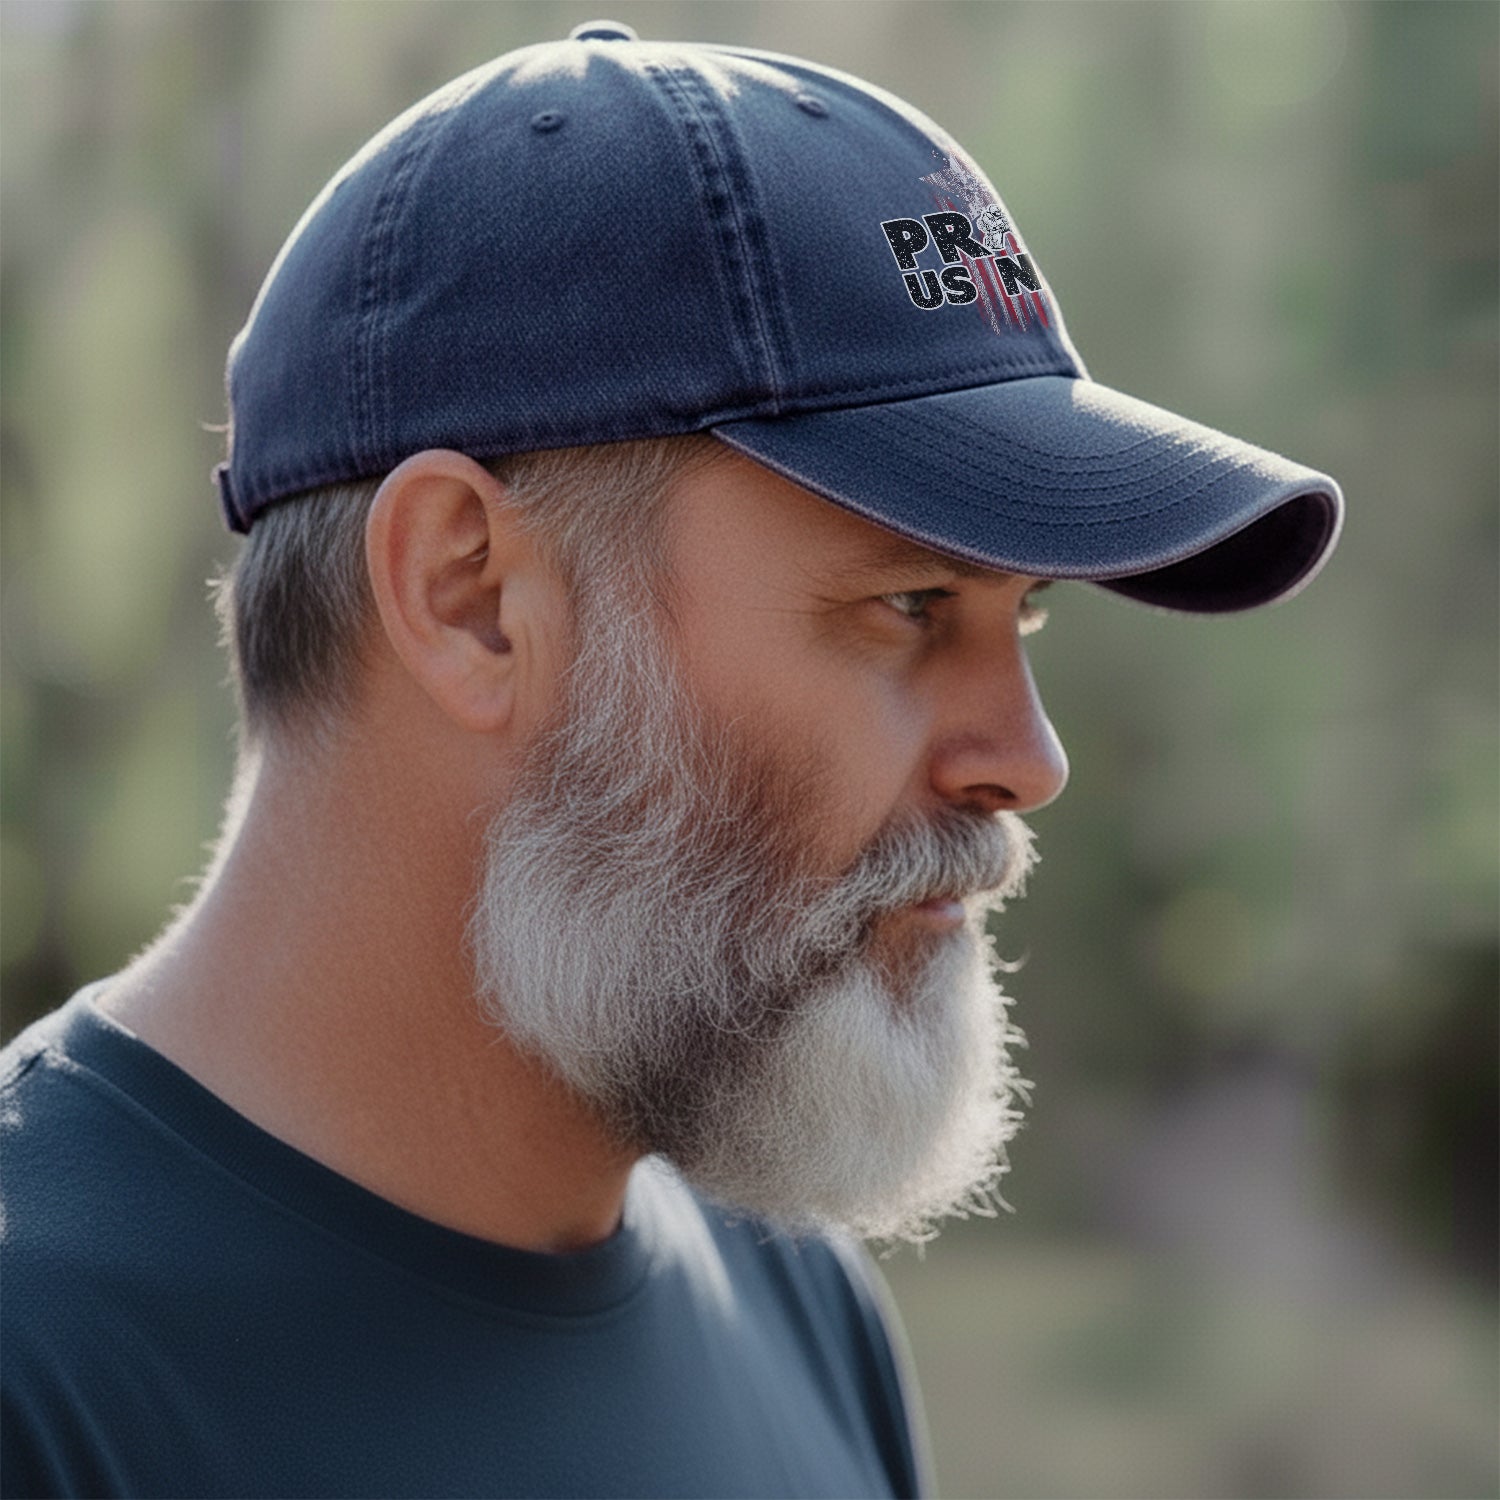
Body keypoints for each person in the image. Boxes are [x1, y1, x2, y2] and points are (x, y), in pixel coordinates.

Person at [0, 21, 1343, 1500]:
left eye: (1021, 615)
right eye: (908, 605)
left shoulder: (797, 1302)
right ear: (469, 596)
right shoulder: (42, 1370)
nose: (1027, 761)